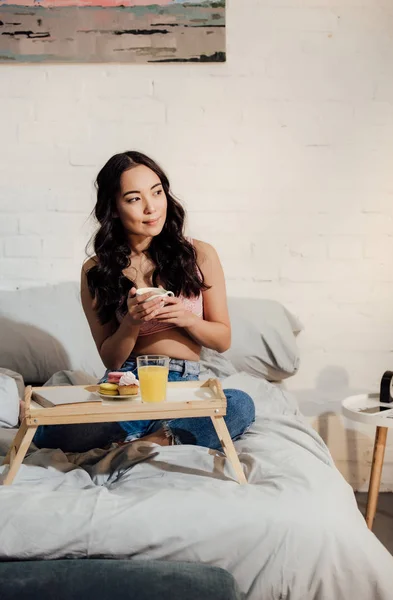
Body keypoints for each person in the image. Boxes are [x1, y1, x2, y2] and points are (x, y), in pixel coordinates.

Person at [35, 151, 255, 452]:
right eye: (134, 198)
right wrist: (131, 322)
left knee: (241, 405)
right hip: (125, 384)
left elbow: (222, 339)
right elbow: (110, 359)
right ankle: (149, 435)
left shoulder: (200, 255)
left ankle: (152, 441)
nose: (152, 208)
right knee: (52, 433)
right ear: (114, 208)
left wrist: (187, 318)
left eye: (157, 192)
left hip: (183, 385)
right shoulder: (96, 270)